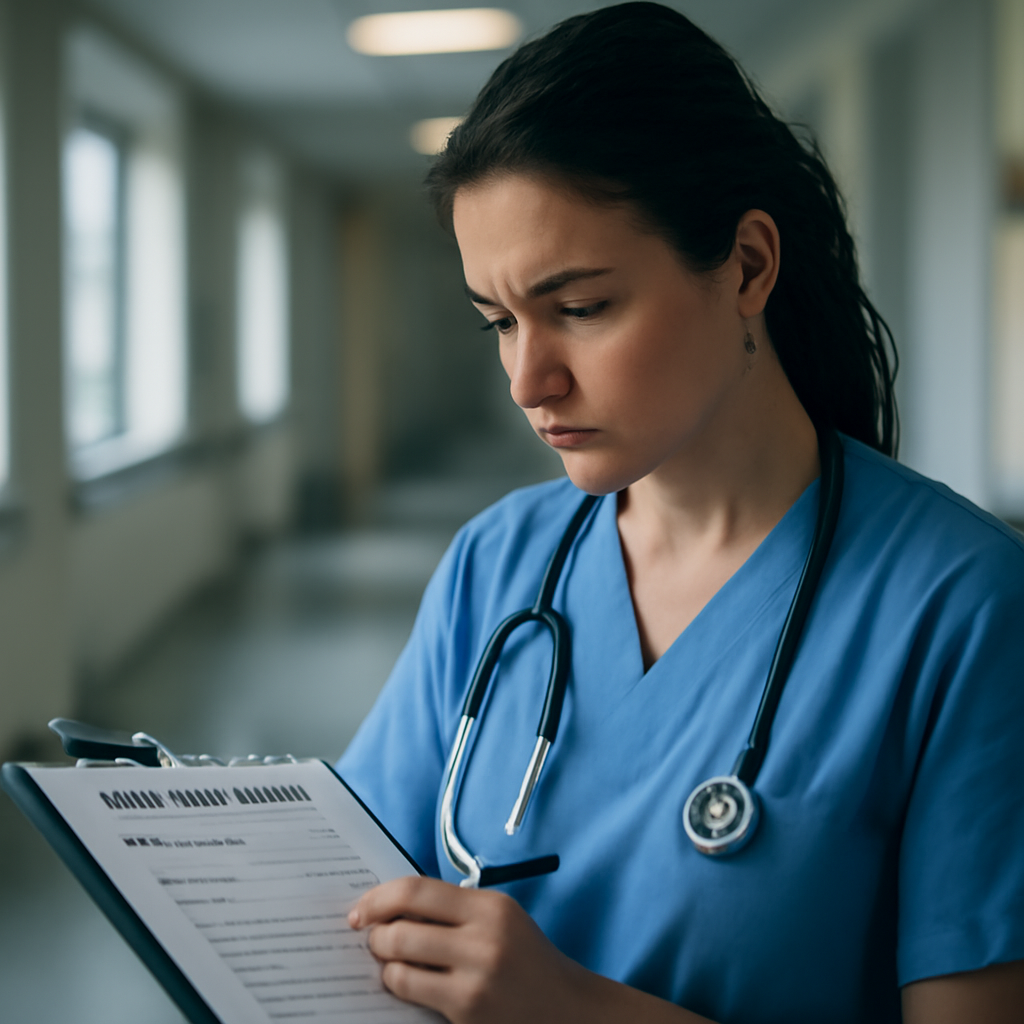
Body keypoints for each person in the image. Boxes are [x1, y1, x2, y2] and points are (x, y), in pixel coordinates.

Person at [336, 4, 1024, 1021]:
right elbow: (345, 897)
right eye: (498, 321)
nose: (529, 380)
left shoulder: (958, 607)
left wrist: (571, 1009)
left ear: (746, 265)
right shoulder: (498, 563)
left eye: (580, 308)